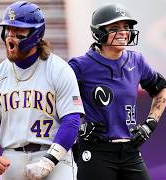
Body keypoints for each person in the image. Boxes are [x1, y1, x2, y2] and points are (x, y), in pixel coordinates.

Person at [0, 1, 85, 180]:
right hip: (12, 158)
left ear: (36, 34)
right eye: (8, 30)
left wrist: (48, 162)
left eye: (18, 31)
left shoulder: (59, 69)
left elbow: (72, 121)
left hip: (54, 154)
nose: (10, 37)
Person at [68, 3, 166, 180]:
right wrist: (79, 129)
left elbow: (162, 89)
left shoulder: (137, 60)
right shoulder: (80, 66)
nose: (124, 32)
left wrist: (150, 124)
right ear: (99, 32)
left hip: (130, 151)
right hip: (95, 151)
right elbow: (58, 103)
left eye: (126, 27)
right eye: (115, 28)